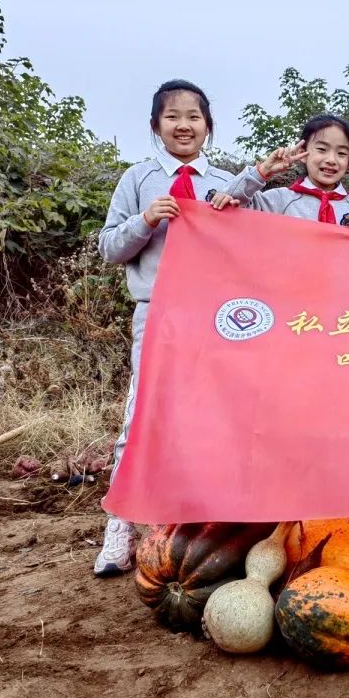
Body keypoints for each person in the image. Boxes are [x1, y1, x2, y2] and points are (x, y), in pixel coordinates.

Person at [94, 79, 269, 576]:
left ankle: (187, 527)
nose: (184, 125)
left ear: (208, 127)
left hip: (216, 318)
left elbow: (255, 241)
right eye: (172, 116)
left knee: (209, 418)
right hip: (159, 312)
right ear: (156, 127)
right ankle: (120, 527)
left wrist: (255, 179)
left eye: (194, 116)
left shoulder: (224, 183)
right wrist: (146, 220)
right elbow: (109, 248)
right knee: (143, 415)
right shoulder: (138, 179)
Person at [212, 115, 349, 241]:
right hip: (288, 284)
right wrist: (263, 170)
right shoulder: (281, 200)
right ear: (302, 154)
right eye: (321, 149)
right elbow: (231, 202)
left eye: (341, 153)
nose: (331, 160)